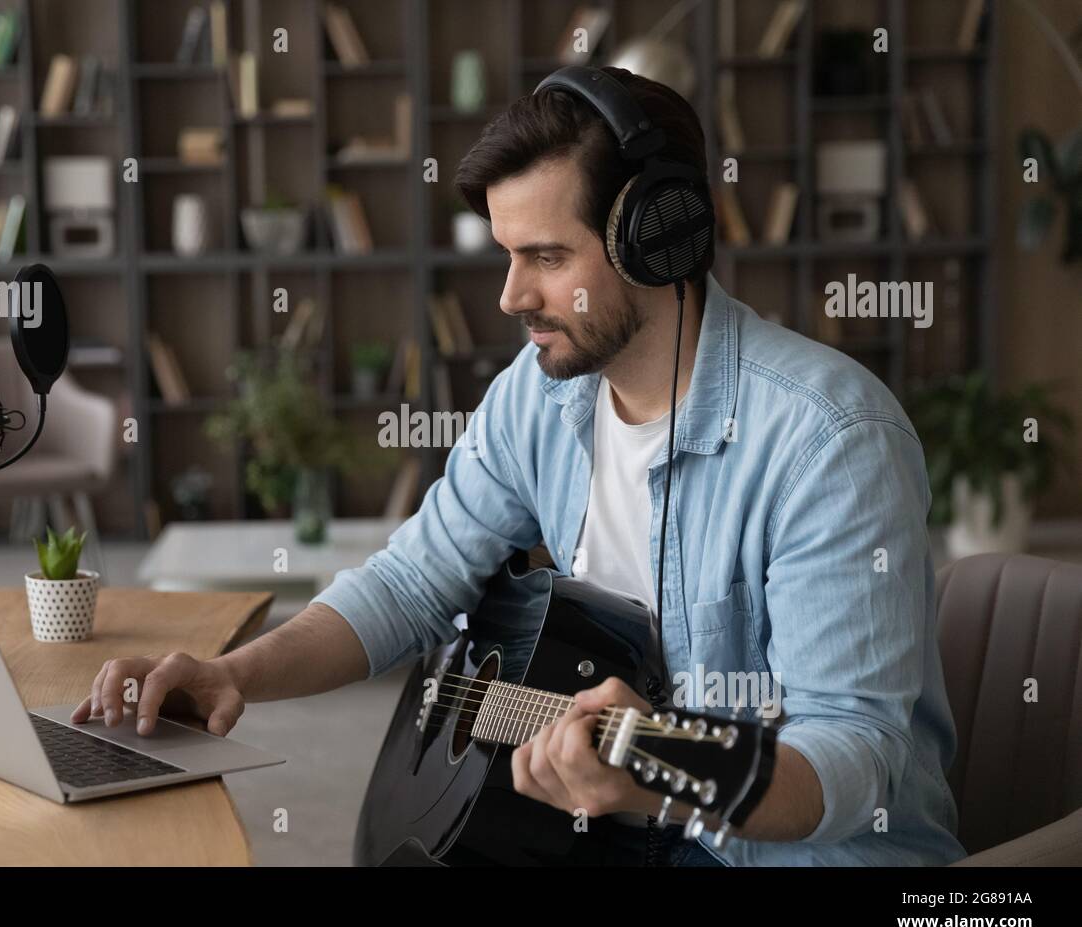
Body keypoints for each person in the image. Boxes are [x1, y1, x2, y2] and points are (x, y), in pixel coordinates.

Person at [73, 67, 966, 866]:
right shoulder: (538, 396)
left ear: (660, 241)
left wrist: (656, 770)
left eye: (546, 257)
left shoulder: (829, 442)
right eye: (508, 254)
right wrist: (236, 676)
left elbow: (851, 756)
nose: (510, 296)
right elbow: (411, 584)